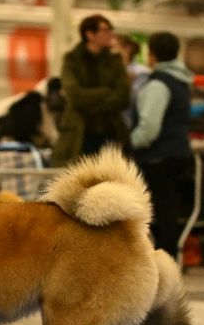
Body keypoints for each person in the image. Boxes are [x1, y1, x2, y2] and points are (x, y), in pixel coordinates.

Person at [130, 32, 194, 258]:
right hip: (178, 153)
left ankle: (161, 263)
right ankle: (169, 262)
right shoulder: (181, 81)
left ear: (152, 55)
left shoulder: (158, 84)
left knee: (156, 214)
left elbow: (149, 128)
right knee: (169, 212)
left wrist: (128, 145)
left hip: (156, 157)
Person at [51, 14, 131, 166]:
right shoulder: (72, 60)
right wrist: (105, 91)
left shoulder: (115, 61)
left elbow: (123, 97)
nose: (110, 35)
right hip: (78, 134)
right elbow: (75, 95)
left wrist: (89, 101)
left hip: (110, 132)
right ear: (90, 34)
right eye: (106, 30)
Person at [114, 33, 150, 128]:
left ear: (127, 49)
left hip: (127, 126)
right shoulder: (108, 71)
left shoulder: (141, 72)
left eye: (113, 47)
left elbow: (136, 100)